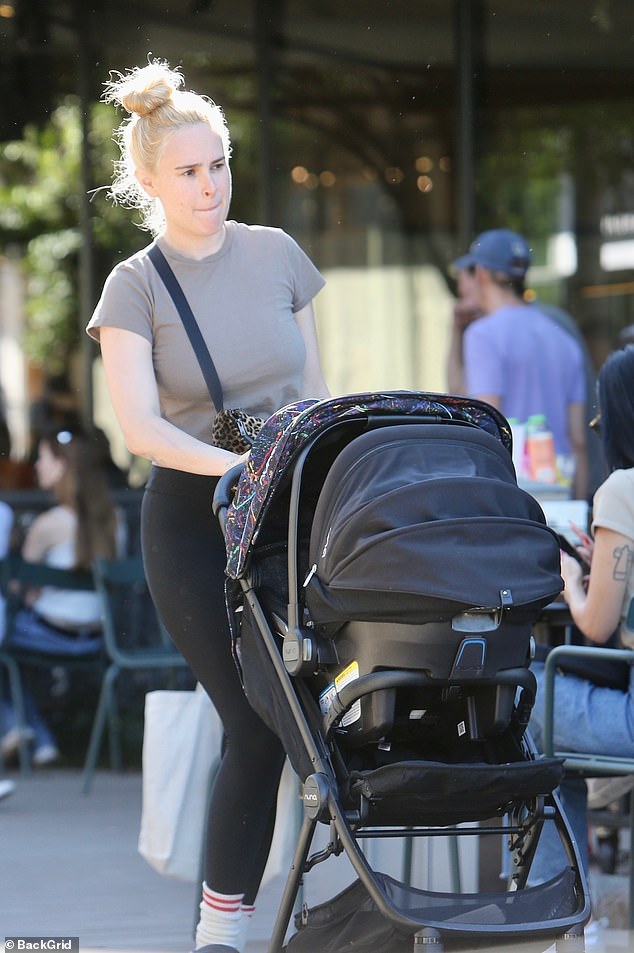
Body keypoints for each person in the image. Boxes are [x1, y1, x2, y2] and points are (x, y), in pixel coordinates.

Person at [86, 59, 330, 953]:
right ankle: (219, 932)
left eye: (219, 163)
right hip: (193, 521)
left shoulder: (277, 255)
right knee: (252, 717)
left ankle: (329, 909)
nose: (210, 184)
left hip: (290, 515)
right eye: (188, 170)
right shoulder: (134, 286)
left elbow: (316, 389)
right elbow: (141, 428)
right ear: (148, 180)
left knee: (320, 716)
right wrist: (238, 460)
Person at [528, 344, 634, 890]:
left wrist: (572, 583)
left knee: (524, 697)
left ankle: (554, 908)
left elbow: (594, 627)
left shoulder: (622, 488)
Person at [1, 427, 121, 766]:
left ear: (61, 467)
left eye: (42, 458)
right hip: (101, 637)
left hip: (51, 634)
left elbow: (18, 590)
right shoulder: (115, 518)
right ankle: (37, 739)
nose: (36, 466)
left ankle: (26, 730)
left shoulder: (48, 524)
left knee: (4, 644)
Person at [449, 229, 589, 500]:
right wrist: (579, 508)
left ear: (481, 274)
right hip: (560, 492)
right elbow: (578, 440)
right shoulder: (562, 338)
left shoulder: (484, 335)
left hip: (511, 499)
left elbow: (487, 428)